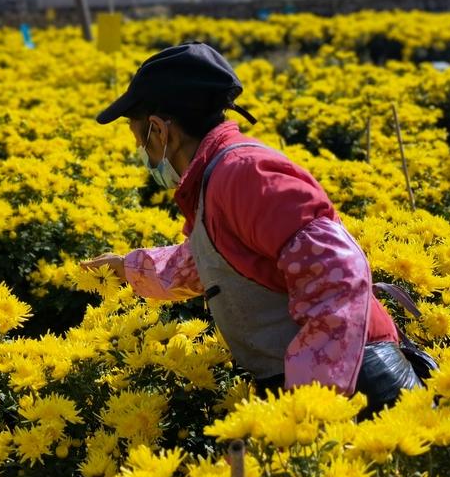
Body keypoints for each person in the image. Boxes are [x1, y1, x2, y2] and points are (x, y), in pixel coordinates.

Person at [82, 41, 422, 416]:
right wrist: (128, 268)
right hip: (323, 389)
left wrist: (310, 405)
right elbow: (210, 260)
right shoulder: (214, 177)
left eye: (140, 141)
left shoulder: (243, 172)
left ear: (161, 132)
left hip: (357, 392)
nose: (145, 156)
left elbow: (336, 271)